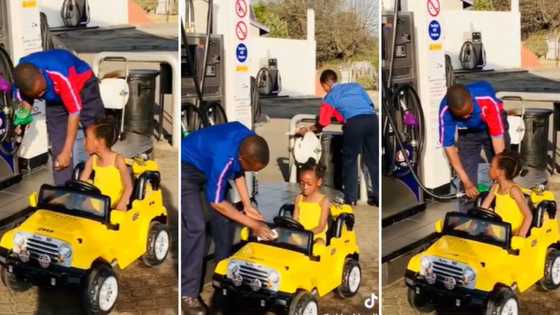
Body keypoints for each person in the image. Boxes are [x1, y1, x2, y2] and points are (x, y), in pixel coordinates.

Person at [181, 121, 275, 315]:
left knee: (225, 221)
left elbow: (239, 171)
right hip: (187, 169)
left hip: (210, 167)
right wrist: (253, 224)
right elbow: (216, 202)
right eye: (251, 168)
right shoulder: (224, 157)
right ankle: (187, 294)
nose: (252, 172)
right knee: (196, 226)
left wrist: (247, 205)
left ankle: (223, 278)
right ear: (241, 157)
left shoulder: (248, 141)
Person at [13, 49, 105, 186]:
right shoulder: (22, 74)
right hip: (55, 99)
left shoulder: (59, 72)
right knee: (59, 147)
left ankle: (102, 179)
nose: (42, 95)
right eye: (39, 95)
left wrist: (68, 152)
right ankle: (64, 192)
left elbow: (74, 112)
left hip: (83, 86)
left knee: (96, 135)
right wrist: (22, 119)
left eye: (43, 90)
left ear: (42, 74)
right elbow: (27, 99)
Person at [298, 69, 378, 206]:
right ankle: (378, 198)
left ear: (325, 84)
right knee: (374, 161)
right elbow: (370, 105)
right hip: (372, 120)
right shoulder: (356, 86)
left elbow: (323, 121)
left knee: (350, 161)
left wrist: (309, 129)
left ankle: (350, 199)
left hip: (354, 124)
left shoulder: (330, 96)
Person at [439, 81, 509, 211]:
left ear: (471, 100)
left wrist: (501, 173)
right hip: (468, 133)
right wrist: (466, 182)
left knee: (503, 172)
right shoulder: (445, 110)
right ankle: (470, 219)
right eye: (461, 116)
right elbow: (449, 148)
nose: (466, 116)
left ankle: (502, 211)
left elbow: (497, 138)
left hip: (492, 130)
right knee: (470, 181)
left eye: (469, 113)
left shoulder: (486, 98)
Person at [79, 118, 133, 211]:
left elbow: (128, 186)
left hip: (114, 206)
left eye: (87, 138)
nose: (84, 142)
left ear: (99, 142)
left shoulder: (117, 159)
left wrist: (122, 203)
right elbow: (81, 182)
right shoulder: (93, 159)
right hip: (96, 205)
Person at [481, 151, 532, 237]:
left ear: (500, 172)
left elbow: (528, 216)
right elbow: (484, 207)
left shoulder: (514, 190)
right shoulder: (495, 187)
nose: (489, 169)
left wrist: (520, 237)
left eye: (491, 166)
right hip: (499, 228)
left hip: (512, 232)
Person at [293, 159, 330, 245]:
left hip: (316, 236)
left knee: (319, 244)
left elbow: (321, 226)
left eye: (309, 184)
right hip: (300, 235)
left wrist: (306, 234)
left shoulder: (323, 201)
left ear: (319, 182)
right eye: (302, 183)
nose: (305, 187)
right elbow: (295, 220)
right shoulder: (299, 198)